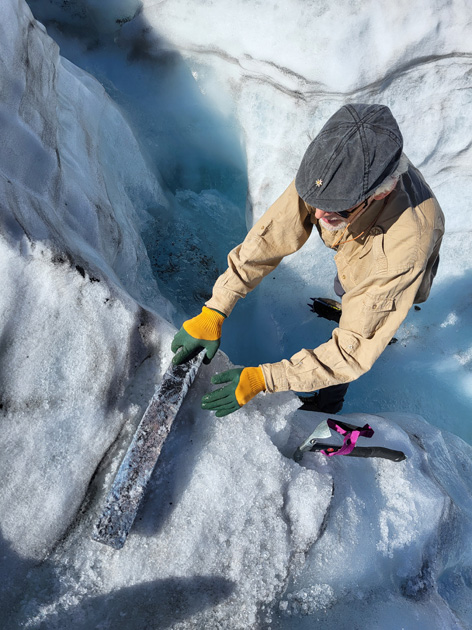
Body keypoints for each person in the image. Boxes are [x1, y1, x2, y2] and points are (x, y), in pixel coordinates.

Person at [171, 103, 445, 417]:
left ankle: (330, 398)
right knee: (347, 284)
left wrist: (264, 378)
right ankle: (352, 307)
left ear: (380, 193)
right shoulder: (329, 174)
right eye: (315, 202)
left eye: (336, 209)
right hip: (362, 240)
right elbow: (269, 238)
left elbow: (349, 354)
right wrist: (216, 308)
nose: (316, 215)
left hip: (398, 252)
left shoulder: (399, 252)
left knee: (368, 321)